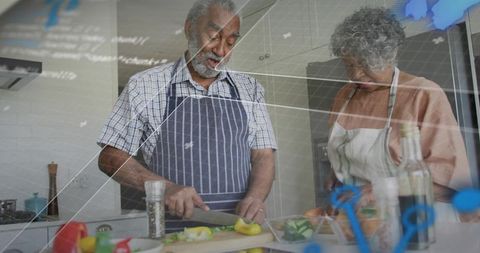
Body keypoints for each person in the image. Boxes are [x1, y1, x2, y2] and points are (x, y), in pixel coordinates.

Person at [97, 0, 277, 231]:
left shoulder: (250, 89)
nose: (221, 51)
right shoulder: (145, 86)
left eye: (231, 42)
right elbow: (110, 156)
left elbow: (263, 156)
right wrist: (164, 187)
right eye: (213, 37)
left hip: (238, 233)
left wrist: (256, 197)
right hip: (173, 235)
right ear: (189, 28)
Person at [326, 7, 479, 222]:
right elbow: (348, 156)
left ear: (390, 56)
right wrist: (338, 173)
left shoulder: (423, 94)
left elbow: (449, 180)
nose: (356, 75)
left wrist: (379, 189)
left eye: (366, 65)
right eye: (349, 65)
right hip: (365, 220)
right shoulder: (345, 96)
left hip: (420, 221)